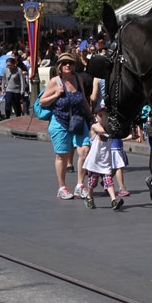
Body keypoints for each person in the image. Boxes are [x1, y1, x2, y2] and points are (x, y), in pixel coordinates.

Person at [39, 52, 95, 200]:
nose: (67, 65)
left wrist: (92, 118)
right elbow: (42, 102)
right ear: (59, 66)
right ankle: (62, 187)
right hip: (60, 122)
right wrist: (56, 94)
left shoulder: (78, 79)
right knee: (62, 155)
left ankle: (79, 185)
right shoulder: (54, 81)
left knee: (85, 151)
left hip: (77, 120)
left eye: (70, 63)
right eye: (64, 63)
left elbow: (83, 100)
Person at [81, 111, 124, 210]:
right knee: (92, 182)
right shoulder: (95, 127)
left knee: (108, 180)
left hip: (105, 161)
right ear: (96, 116)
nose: (103, 117)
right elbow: (102, 130)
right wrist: (115, 129)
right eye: (101, 115)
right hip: (94, 161)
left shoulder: (110, 129)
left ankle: (114, 200)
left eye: (105, 115)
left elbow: (119, 136)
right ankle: (89, 197)